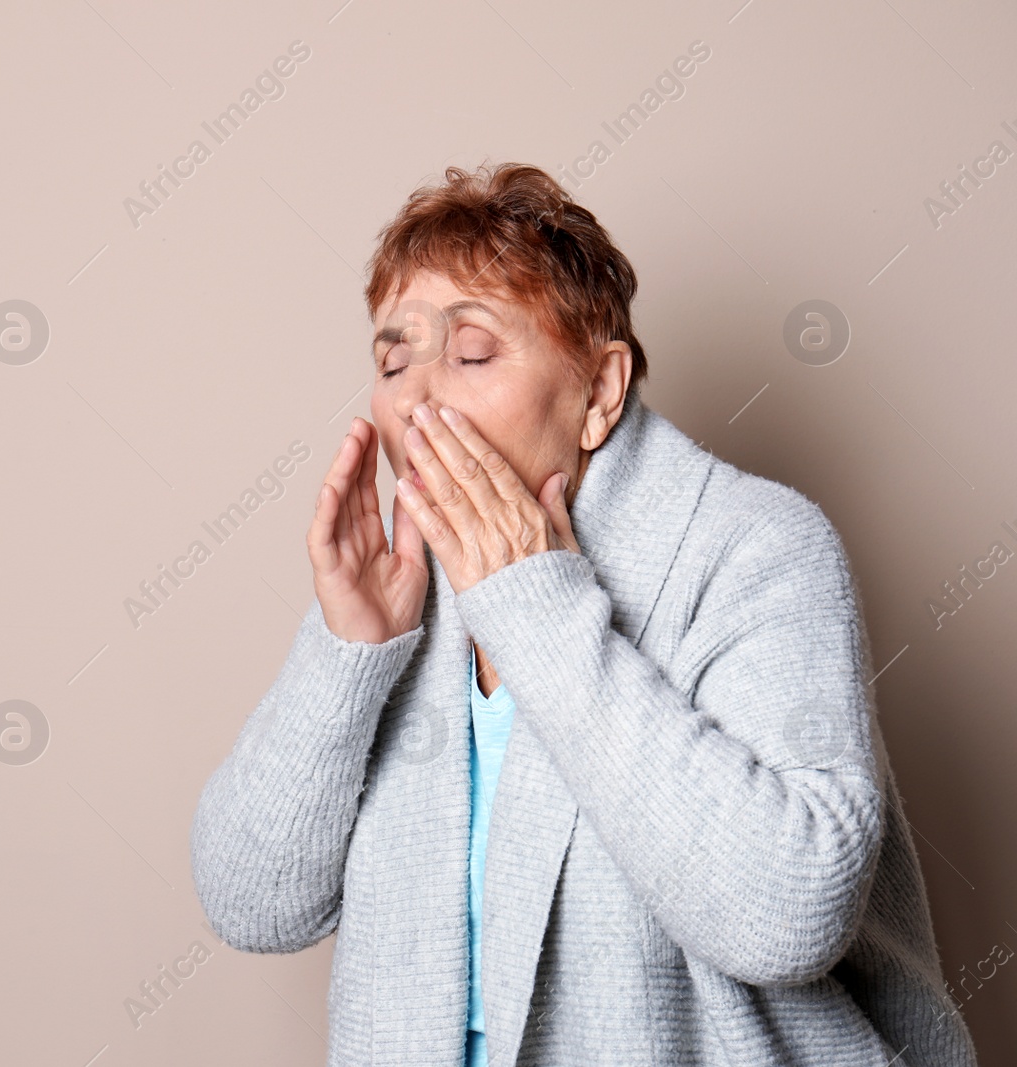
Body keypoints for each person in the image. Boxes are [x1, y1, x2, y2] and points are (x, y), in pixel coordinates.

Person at [189, 161, 978, 1066]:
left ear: (600, 393)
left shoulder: (759, 547)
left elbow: (789, 914)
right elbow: (252, 903)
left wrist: (535, 605)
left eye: (472, 352)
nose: (415, 396)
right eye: (392, 358)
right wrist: (349, 649)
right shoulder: (406, 589)